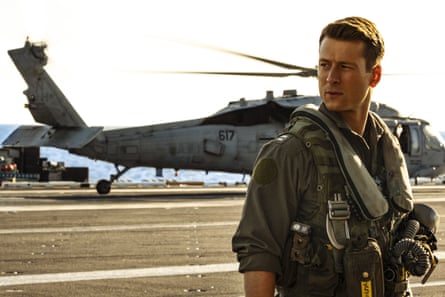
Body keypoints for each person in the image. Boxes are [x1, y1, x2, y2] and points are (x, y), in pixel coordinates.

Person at [232, 16, 417, 297]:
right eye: (324, 65)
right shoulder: (288, 152)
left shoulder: (386, 148)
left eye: (345, 67)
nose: (331, 78)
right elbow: (259, 251)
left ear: (374, 76)